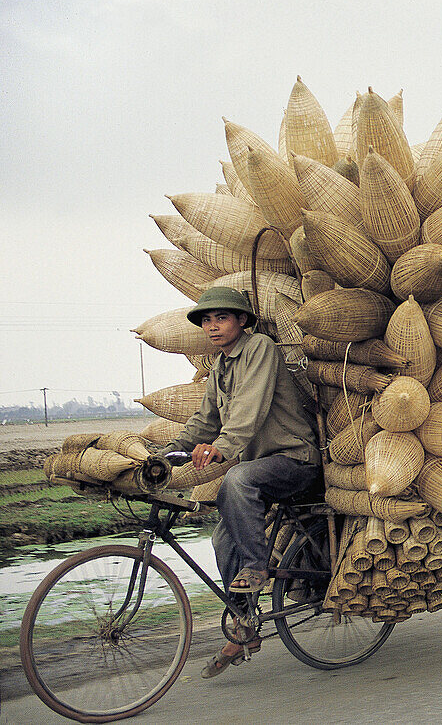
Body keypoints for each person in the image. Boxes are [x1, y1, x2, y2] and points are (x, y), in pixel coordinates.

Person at [159, 287, 321, 678]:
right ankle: (245, 624)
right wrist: (167, 451)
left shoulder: (260, 348)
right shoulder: (220, 367)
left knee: (236, 477)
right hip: (260, 470)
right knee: (220, 540)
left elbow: (250, 406)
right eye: (207, 320)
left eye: (222, 318)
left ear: (242, 321)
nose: (212, 326)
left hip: (292, 459)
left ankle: (256, 567)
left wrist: (223, 447)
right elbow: (204, 419)